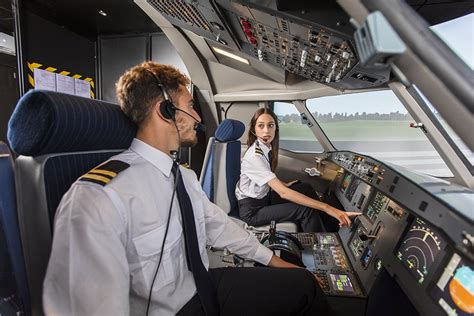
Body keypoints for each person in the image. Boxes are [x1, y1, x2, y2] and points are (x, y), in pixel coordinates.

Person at [42, 62, 330, 316]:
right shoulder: (98, 198)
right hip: (174, 310)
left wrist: (276, 262)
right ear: (165, 110)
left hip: (200, 285)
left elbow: (218, 226)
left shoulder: (182, 176)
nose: (199, 119)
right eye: (191, 106)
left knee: (303, 285)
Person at [235, 108, 360, 232]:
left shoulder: (265, 148)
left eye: (270, 125)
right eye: (261, 126)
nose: (266, 130)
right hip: (253, 211)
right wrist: (327, 208)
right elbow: (283, 193)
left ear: (276, 128)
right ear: (253, 129)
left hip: (264, 198)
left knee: (305, 187)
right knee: (305, 210)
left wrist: (284, 184)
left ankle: (330, 227)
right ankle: (319, 242)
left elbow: (266, 175)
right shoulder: (254, 156)